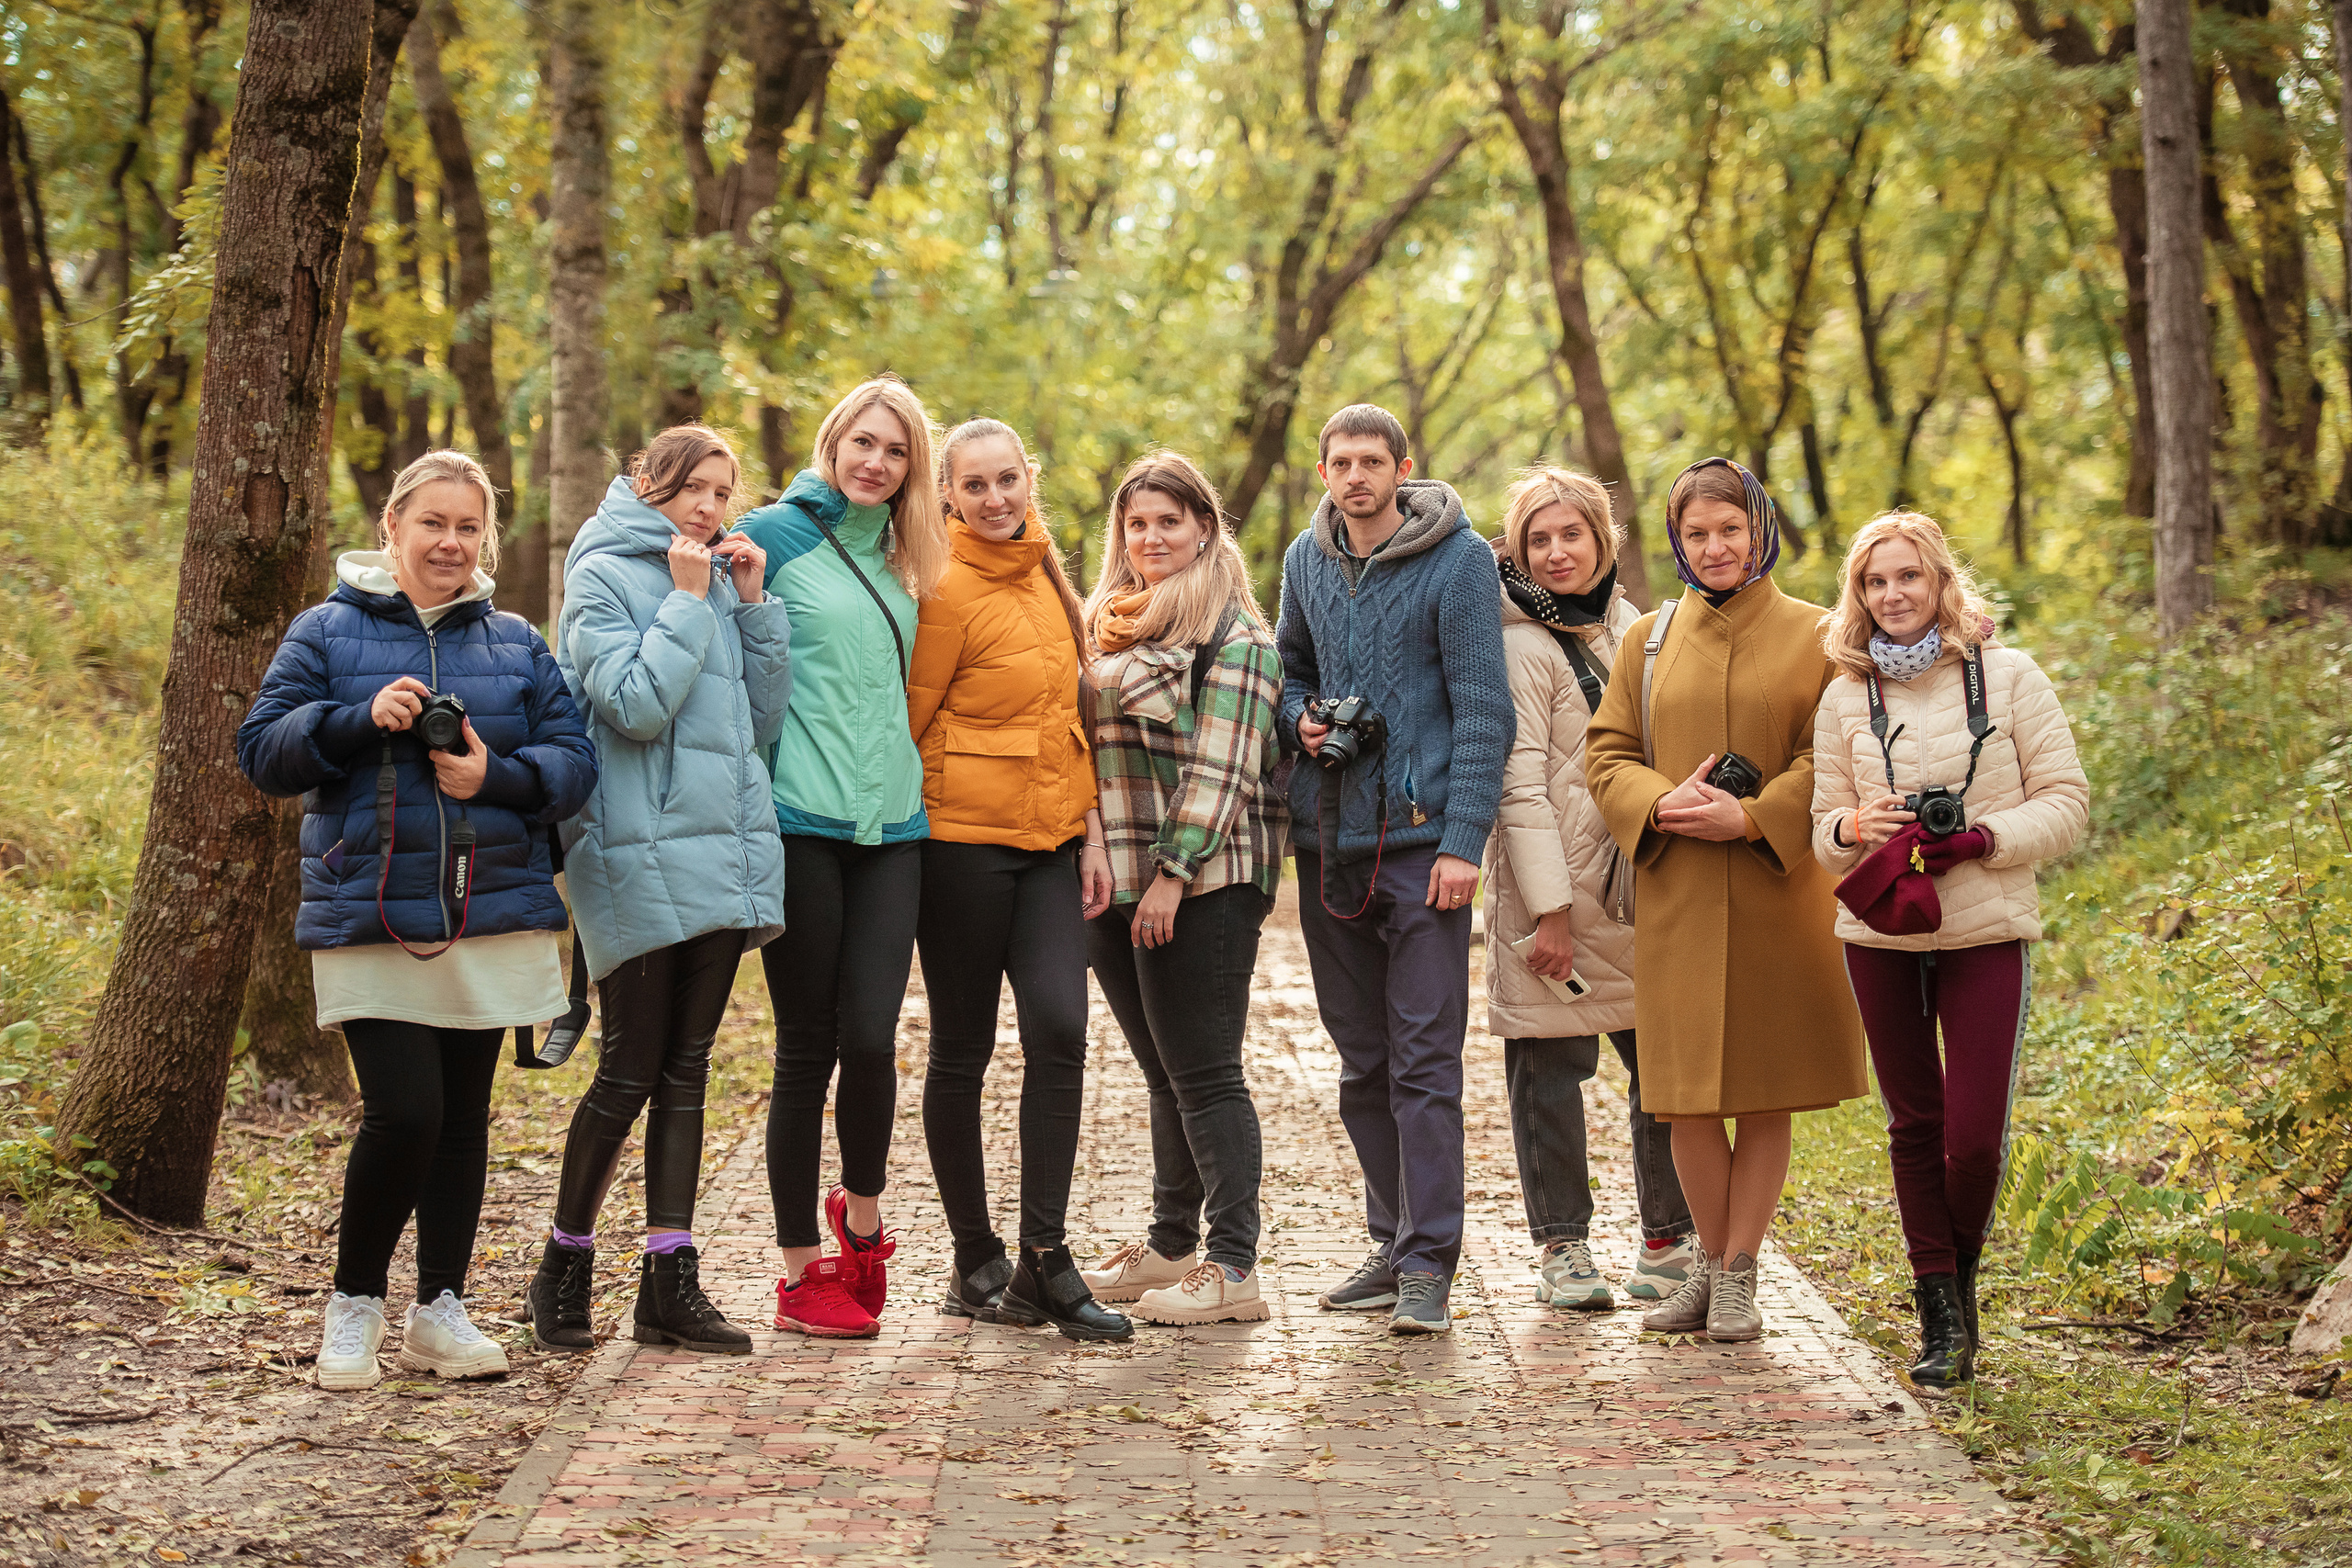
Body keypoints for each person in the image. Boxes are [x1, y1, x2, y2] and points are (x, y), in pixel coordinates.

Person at [235, 450, 596, 1391]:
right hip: (371, 908)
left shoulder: (515, 640)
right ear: (391, 525)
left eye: (467, 527)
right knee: (407, 1113)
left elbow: (573, 763)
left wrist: (496, 778)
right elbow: (263, 753)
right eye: (431, 522)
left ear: (486, 539)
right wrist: (357, 720)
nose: (449, 542)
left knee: (465, 1119)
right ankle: (354, 1302)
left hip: (491, 907)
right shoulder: (325, 629)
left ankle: (439, 1309)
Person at [1584, 457, 1866, 1344]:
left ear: (1760, 530)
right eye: (1697, 533)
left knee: (1762, 1092)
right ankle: (1709, 1264)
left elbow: (1835, 759)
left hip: (1778, 889)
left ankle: (1740, 1271)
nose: (1714, 547)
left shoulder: (1821, 636)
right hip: (1678, 892)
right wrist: (1657, 803)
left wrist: (1750, 816)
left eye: (1729, 529)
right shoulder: (1647, 640)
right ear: (1677, 540)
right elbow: (1606, 753)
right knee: (1682, 1095)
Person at [528, 425, 792, 1358]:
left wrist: (753, 606)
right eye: (693, 488)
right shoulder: (599, 573)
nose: (710, 508)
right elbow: (635, 709)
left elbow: (759, 723)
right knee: (629, 1068)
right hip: (633, 852)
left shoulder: (718, 576)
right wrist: (687, 605)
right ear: (647, 482)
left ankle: (669, 1284)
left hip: (721, 852)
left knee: (689, 1069)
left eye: (724, 492)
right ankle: (563, 1266)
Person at [1811, 513, 2086, 1388]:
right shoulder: (1845, 695)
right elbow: (1823, 830)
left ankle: (1957, 1272)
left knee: (1973, 1141)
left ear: (1940, 583)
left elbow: (2068, 803)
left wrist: (1980, 838)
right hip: (1881, 930)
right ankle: (1938, 1308)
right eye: (1876, 582)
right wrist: (1852, 824)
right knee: (1912, 1124)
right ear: (1859, 595)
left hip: (1987, 924)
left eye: (1909, 578)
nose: (1893, 596)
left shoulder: (2009, 677)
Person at [1274, 403, 1513, 1336]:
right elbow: (1288, 670)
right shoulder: (1304, 557)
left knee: (1423, 1063)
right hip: (1328, 842)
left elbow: (1483, 708)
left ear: (1402, 468)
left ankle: (1429, 1263)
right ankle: (1390, 1237)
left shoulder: (1458, 561)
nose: (1355, 477)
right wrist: (1298, 719)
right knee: (1360, 1062)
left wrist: (1464, 843)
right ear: (1324, 471)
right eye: (1340, 462)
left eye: (1372, 461)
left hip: (1423, 851)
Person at [732, 376, 948, 1338]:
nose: (876, 462)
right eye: (862, 443)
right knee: (805, 1047)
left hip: (894, 826)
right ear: (831, 445)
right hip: (802, 823)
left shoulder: (908, 554)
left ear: (913, 470)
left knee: (873, 1039)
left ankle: (859, 1223)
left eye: (895, 451)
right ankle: (798, 1274)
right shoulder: (772, 535)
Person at [908, 418, 1128, 1340]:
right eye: (976, 485)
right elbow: (909, 722)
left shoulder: (1048, 576)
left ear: (1028, 479)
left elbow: (1068, 721)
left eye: (1008, 480)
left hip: (1047, 849)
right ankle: (973, 1257)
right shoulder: (941, 587)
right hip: (958, 848)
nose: (995, 499)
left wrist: (1092, 832)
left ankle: (1043, 1258)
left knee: (1060, 1031)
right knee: (961, 1049)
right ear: (949, 494)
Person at [1073, 452, 1288, 1327]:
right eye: (1137, 523)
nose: (1152, 537)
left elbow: (1222, 770)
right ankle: (1169, 1243)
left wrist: (1172, 876)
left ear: (1205, 527)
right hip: (1113, 874)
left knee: (1205, 1074)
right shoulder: (1105, 628)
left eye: (1170, 520)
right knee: (1164, 1072)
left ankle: (1234, 1264)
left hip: (1205, 880)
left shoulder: (1236, 637)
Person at [1484, 468, 1696, 1311]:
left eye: (1573, 534)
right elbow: (1520, 788)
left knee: (1665, 1073)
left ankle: (1667, 1238)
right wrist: (1551, 911)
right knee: (1547, 1078)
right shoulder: (1516, 645)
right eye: (1539, 538)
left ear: (1603, 540)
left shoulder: (1643, 632)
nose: (1558, 551)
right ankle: (1563, 1248)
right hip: (1556, 903)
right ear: (1518, 551)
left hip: (1642, 890)